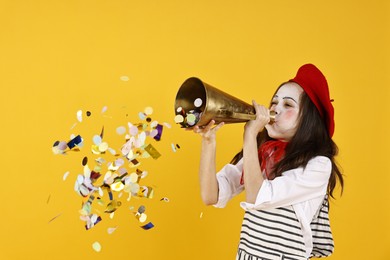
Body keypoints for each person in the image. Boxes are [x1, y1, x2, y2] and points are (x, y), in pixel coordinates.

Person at [193, 64, 344, 260]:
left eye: (288, 105)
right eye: (274, 102)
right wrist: (208, 142)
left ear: (309, 119)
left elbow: (257, 196)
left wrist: (249, 136)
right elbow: (210, 195)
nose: (275, 109)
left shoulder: (318, 165)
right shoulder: (262, 154)